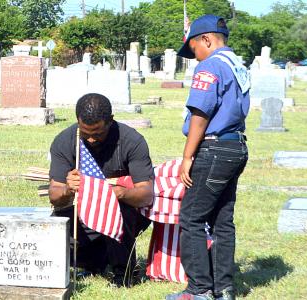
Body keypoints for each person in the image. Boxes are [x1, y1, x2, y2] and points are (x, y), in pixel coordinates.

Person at [166, 15, 250, 300]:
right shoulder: (237, 64)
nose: (194, 58)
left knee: (190, 218)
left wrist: (188, 155)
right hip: (236, 146)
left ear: (207, 40)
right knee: (222, 221)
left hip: (213, 148)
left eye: (194, 50)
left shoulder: (210, 65)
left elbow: (201, 113)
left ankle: (199, 289)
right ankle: (224, 288)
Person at [48, 93, 154, 287]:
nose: (90, 140)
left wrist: (118, 192)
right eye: (85, 132)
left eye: (97, 133)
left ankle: (124, 273)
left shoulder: (132, 140)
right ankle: (92, 262)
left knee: (121, 207)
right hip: (81, 213)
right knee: (60, 220)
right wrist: (68, 189)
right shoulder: (65, 141)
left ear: (110, 121)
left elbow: (146, 194)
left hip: (120, 215)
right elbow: (54, 195)